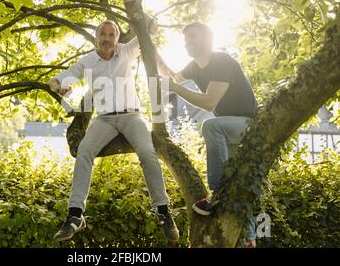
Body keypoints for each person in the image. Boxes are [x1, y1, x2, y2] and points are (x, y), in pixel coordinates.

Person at [48, 18, 179, 243]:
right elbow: (56, 80)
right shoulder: (88, 61)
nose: (107, 38)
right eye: (103, 34)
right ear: (97, 38)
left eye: (112, 35)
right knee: (84, 151)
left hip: (131, 116)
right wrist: (59, 86)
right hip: (105, 120)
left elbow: (151, 29)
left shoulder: (127, 51)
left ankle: (163, 211)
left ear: (117, 38)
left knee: (148, 153)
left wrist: (143, 17)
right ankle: (75, 215)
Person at [158, 22, 258, 248]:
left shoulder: (222, 62)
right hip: (228, 128)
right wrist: (152, 55)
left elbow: (209, 102)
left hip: (247, 126)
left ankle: (217, 194)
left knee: (210, 126)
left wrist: (174, 88)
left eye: (192, 37)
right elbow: (173, 76)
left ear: (208, 39)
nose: (187, 42)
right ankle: (250, 238)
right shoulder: (194, 67)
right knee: (237, 179)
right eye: (186, 39)